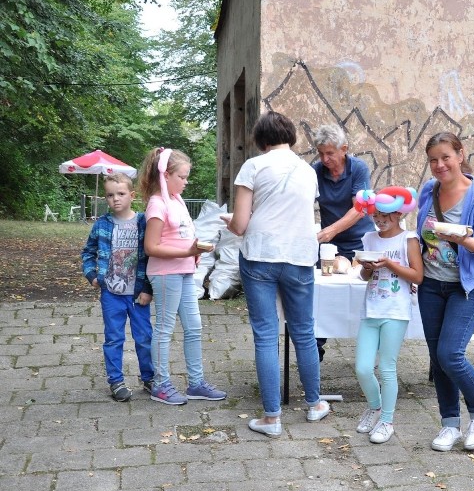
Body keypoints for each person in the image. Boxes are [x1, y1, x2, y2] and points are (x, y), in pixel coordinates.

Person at [224, 111, 330, 437]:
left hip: (260, 256)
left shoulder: (253, 166)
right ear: (290, 136)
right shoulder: (307, 171)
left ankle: (272, 418)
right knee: (304, 331)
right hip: (299, 256)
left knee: (266, 335)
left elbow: (241, 224)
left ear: (261, 140)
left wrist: (227, 220)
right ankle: (314, 405)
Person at [416, 131, 474, 452]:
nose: (439, 165)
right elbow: (421, 236)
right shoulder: (428, 191)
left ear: (460, 155)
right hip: (430, 286)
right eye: (433, 160)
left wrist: (463, 238)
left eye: (445, 157)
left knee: (450, 354)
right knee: (438, 360)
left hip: (466, 288)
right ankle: (449, 424)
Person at [140, 147, 226, 405]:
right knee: (165, 328)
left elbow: (178, 236)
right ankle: (161, 384)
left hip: (185, 270)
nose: (186, 181)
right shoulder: (157, 204)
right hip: (166, 274)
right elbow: (151, 247)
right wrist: (186, 251)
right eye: (183, 176)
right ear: (166, 176)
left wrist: (194, 250)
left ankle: (196, 383)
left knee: (194, 327)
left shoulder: (176, 200)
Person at [353, 187, 423, 444]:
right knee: (362, 368)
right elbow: (364, 276)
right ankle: (375, 407)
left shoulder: (409, 239)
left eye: (385, 215)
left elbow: (417, 276)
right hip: (371, 309)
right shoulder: (369, 238)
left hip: (396, 311)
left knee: (387, 368)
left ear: (398, 214)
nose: (380, 220)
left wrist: (389, 263)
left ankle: (387, 420)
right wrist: (368, 268)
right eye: (375, 215)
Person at [81, 173, 154, 402]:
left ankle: (150, 378)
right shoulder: (102, 225)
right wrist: (92, 275)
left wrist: (148, 288)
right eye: (110, 195)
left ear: (132, 196)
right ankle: (116, 381)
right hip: (111, 293)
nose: (116, 199)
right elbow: (88, 252)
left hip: (137, 293)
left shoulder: (144, 223)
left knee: (144, 337)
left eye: (121, 194)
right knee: (113, 338)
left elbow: (152, 256)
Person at [312, 124, 374, 360]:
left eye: (330, 153)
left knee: (363, 291)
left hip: (361, 242)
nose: (324, 159)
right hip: (330, 247)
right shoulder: (315, 171)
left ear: (344, 149)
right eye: (320, 153)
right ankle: (314, 351)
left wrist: (329, 230)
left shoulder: (358, 168)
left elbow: (360, 209)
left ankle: (371, 346)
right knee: (320, 296)